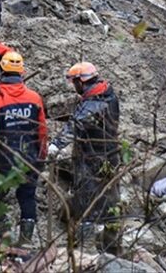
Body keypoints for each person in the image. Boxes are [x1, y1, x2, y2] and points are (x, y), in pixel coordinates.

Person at [0, 51, 48, 244]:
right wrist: (42, 156)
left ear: (1, 72)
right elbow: (42, 131)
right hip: (30, 157)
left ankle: (4, 235)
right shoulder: (34, 97)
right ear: (22, 73)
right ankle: (25, 241)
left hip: (4, 160)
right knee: (27, 196)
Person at [48, 62, 121, 230]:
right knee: (109, 189)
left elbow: (76, 125)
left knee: (88, 190)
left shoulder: (93, 104)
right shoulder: (108, 94)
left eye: (75, 82)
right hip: (110, 150)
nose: (75, 87)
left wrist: (56, 145)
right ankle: (109, 224)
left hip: (92, 154)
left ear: (81, 81)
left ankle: (89, 228)